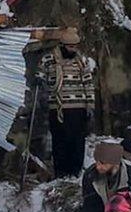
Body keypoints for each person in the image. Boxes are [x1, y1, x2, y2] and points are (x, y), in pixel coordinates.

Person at [39, 31, 95, 177]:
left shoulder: (82, 61)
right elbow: (40, 75)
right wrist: (40, 81)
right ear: (62, 46)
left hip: (78, 108)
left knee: (77, 140)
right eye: (70, 46)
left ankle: (75, 171)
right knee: (59, 140)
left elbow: (88, 84)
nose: (73, 49)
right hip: (57, 108)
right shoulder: (48, 59)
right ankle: (61, 172)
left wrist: (90, 106)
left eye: (75, 46)